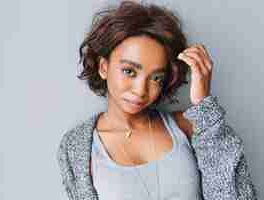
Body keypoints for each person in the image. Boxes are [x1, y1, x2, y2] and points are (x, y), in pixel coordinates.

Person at [56, 1, 258, 200]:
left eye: (156, 78)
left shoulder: (192, 127)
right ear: (103, 67)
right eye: (129, 71)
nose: (140, 90)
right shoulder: (78, 147)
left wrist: (203, 105)